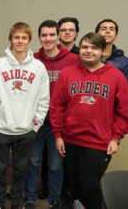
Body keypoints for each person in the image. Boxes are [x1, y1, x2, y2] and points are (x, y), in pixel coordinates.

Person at [50, 32, 128, 209]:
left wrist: (116, 138)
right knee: (73, 183)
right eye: (85, 47)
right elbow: (57, 106)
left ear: (102, 51)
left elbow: (123, 112)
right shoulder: (67, 73)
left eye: (94, 48)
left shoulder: (116, 76)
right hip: (70, 139)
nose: (88, 51)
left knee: (89, 185)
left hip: (98, 142)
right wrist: (58, 135)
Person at [0, 22, 49, 209]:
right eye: (16, 37)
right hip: (0, 129)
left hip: (26, 130)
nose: (20, 41)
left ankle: (15, 203)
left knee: (21, 170)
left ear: (29, 40)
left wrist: (35, 125)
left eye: (24, 38)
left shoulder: (39, 67)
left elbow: (43, 100)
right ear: (10, 39)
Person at [24, 20, 80, 209]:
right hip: (35, 123)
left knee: (56, 167)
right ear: (39, 37)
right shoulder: (32, 59)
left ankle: (54, 202)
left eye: (51, 35)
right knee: (32, 163)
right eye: (44, 35)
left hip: (59, 126)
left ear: (58, 37)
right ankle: (29, 200)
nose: (48, 39)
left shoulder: (73, 60)